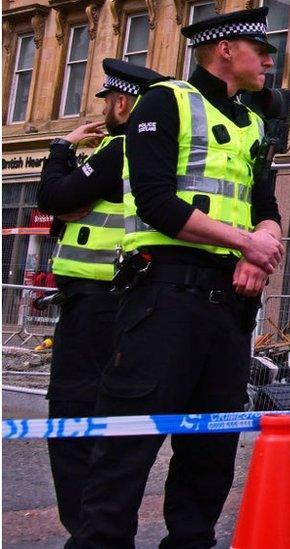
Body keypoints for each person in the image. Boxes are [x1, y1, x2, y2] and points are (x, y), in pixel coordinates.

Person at [76, 7, 284, 548]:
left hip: (229, 305)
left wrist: (255, 254)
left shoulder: (254, 124)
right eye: (258, 50)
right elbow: (154, 203)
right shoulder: (165, 102)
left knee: (210, 450)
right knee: (128, 444)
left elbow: (266, 207)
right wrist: (243, 242)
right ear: (224, 51)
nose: (268, 60)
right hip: (164, 294)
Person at [36, 58, 163, 542]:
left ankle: (89, 534)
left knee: (72, 417)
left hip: (95, 301)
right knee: (112, 420)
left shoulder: (119, 149)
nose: (105, 111)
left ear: (123, 103)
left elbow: (52, 197)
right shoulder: (153, 150)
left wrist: (62, 147)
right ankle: (102, 531)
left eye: (108, 102)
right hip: (127, 299)